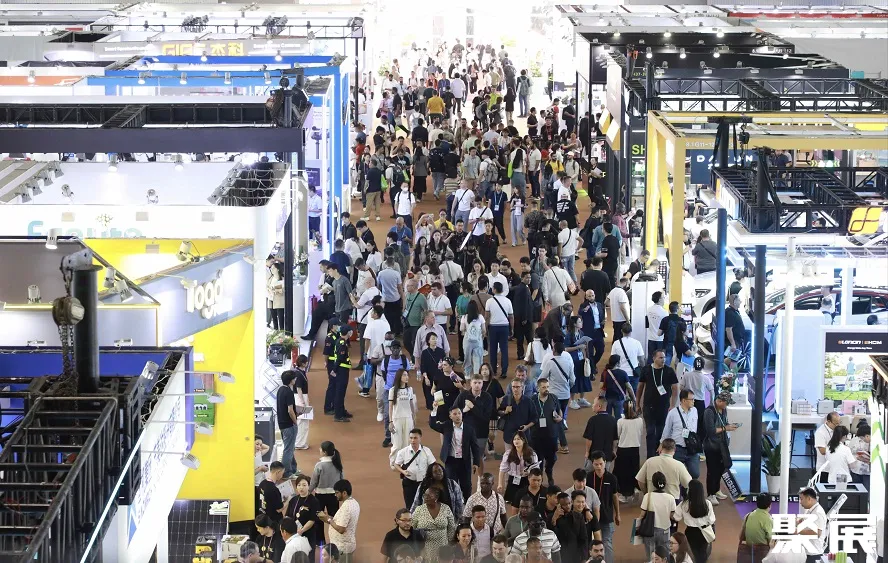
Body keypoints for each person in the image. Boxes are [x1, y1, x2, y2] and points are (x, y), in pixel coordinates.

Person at [637, 349, 679, 458]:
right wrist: (637, 404)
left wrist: (672, 405)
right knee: (650, 432)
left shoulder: (669, 371)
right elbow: (640, 387)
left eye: (664, 357)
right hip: (648, 406)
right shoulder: (646, 370)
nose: (663, 359)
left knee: (661, 432)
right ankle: (650, 457)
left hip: (663, 407)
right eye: (660, 357)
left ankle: (659, 456)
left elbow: (675, 389)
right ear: (654, 358)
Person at [455, 374, 495, 476]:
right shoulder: (463, 395)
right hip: (464, 432)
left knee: (478, 457)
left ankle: (480, 480)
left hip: (481, 433)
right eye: (475, 383)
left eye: (479, 383)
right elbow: (454, 411)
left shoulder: (487, 397)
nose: (477, 385)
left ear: (482, 384)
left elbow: (486, 417)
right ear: (471, 383)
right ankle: (466, 479)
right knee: (465, 456)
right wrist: (464, 410)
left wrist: (472, 407)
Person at [441, 405, 482, 501]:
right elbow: (432, 424)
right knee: (451, 485)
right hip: (450, 460)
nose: (458, 416)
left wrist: (476, 463)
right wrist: (434, 410)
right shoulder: (446, 427)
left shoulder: (469, 429)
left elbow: (475, 447)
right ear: (450, 416)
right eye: (455, 414)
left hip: (464, 461)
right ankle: (453, 505)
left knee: (466, 486)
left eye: (459, 413)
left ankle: (467, 504)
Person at [541, 340, 575, 455]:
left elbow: (542, 377)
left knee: (555, 419)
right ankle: (556, 442)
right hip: (565, 395)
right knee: (560, 418)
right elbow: (572, 380)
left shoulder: (550, 363)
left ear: (554, 350)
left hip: (553, 395)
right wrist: (567, 387)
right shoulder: (568, 362)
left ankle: (563, 444)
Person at [703, 393, 738, 504]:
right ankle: (711, 494)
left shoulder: (723, 410)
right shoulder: (709, 412)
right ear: (719, 401)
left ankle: (717, 490)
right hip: (711, 445)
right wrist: (725, 428)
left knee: (721, 468)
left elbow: (724, 423)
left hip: (722, 444)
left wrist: (730, 426)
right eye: (726, 403)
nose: (727, 406)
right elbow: (711, 431)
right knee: (712, 470)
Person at [587, 451, 620, 562]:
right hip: (591, 517)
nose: (599, 467)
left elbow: (615, 497)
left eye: (601, 464)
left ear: (605, 462)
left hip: (607, 516)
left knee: (606, 542)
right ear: (592, 464)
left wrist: (618, 514)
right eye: (596, 464)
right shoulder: (588, 478)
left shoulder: (612, 478)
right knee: (592, 543)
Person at [530, 378, 563, 485]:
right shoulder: (532, 400)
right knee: (538, 459)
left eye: (548, 387)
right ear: (538, 388)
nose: (546, 389)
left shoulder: (553, 398)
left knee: (552, 458)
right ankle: (540, 479)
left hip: (551, 434)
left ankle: (549, 471)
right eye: (544, 387)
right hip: (536, 435)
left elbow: (559, 411)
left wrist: (560, 418)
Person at [316, 480, 359, 563]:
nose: (335, 495)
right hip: (346, 545)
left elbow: (341, 529)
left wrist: (328, 519)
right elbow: (342, 521)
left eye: (337, 493)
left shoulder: (346, 507)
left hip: (342, 548)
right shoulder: (354, 502)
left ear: (344, 493)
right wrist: (328, 518)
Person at [673, 479, 714, 563]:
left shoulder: (684, 504)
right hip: (704, 531)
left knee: (691, 553)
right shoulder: (707, 503)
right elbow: (711, 520)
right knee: (702, 552)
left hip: (690, 532)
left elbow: (676, 517)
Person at [662, 390, 701, 480]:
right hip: (678, 448)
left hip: (692, 448)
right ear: (684, 400)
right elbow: (667, 430)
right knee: (674, 474)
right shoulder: (673, 413)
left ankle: (686, 487)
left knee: (695, 474)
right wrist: (662, 444)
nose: (694, 401)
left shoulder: (695, 411)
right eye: (691, 399)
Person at [413, 487, 457, 563]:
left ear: (436, 497)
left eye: (429, 496)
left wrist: (450, 544)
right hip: (425, 546)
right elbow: (412, 526)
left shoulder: (446, 508)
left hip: (443, 545)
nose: (426, 497)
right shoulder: (419, 509)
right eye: (425, 495)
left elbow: (451, 527)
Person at [639, 471, 675, 560]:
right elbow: (672, 515)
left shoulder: (648, 496)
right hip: (665, 530)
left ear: (653, 483)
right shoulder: (670, 498)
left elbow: (642, 515)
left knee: (651, 555)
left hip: (650, 530)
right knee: (665, 554)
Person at [498, 431, 540, 510]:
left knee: (527, 503)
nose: (516, 441)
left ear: (523, 440)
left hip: (526, 480)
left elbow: (536, 469)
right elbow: (502, 469)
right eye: (514, 439)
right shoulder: (508, 454)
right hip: (514, 480)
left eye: (518, 439)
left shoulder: (532, 454)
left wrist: (529, 472)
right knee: (514, 505)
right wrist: (500, 484)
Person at [284, 476, 320, 559]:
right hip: (294, 534)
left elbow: (312, 520)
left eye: (304, 485)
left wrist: (302, 530)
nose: (301, 488)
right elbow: (287, 516)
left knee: (308, 557)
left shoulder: (314, 501)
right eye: (299, 485)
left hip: (308, 534)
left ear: (309, 486)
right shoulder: (293, 500)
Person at [615, 400, 644, 502]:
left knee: (622, 472)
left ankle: (625, 494)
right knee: (634, 470)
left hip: (623, 449)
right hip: (635, 449)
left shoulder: (620, 421)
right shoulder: (640, 420)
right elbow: (640, 432)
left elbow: (618, 434)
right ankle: (634, 488)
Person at [498, 379, 536, 455]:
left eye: (518, 387)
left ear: (522, 387)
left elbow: (534, 418)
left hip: (524, 436)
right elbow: (498, 412)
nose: (515, 389)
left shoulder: (528, 401)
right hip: (509, 435)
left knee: (524, 457)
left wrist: (527, 426)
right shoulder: (506, 399)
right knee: (509, 457)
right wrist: (505, 411)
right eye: (513, 387)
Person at [681, 358, 715, 441]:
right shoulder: (705, 378)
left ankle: (686, 439)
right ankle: (698, 442)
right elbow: (711, 390)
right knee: (699, 423)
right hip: (700, 403)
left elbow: (681, 387)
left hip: (688, 401)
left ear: (693, 365)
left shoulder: (686, 375)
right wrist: (711, 402)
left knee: (686, 420)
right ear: (703, 366)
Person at [310, 441, 345, 521]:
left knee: (318, 518)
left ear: (324, 452)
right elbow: (342, 479)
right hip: (334, 495)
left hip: (320, 495)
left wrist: (308, 491)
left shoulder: (319, 465)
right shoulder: (337, 464)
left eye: (321, 449)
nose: (319, 449)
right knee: (335, 518)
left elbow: (314, 481)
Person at [486, 282, 514, 379]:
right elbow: (511, 316)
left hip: (493, 327)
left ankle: (493, 370)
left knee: (493, 349)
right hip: (504, 327)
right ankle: (504, 371)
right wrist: (512, 328)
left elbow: (487, 316)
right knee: (504, 349)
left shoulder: (489, 301)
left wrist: (485, 328)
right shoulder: (508, 301)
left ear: (494, 289)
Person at [582, 398, 617, 471]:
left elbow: (589, 439)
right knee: (605, 473)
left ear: (599, 406)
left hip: (594, 455)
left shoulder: (592, 420)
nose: (592, 405)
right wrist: (613, 450)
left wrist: (587, 452)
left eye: (594, 403)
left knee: (589, 473)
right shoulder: (613, 420)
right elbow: (614, 439)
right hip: (607, 455)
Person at [276, 370, 300, 477]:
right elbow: (290, 410)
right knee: (288, 450)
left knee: (290, 448)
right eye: (294, 378)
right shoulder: (289, 392)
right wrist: (295, 421)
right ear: (291, 380)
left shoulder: (280, 390)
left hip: (282, 424)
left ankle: (293, 469)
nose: (295, 379)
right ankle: (286, 472)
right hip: (289, 425)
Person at [738, 494, 773, 563]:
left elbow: (740, 536)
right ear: (769, 505)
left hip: (748, 552)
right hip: (762, 553)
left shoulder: (748, 516)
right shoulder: (768, 519)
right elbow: (771, 540)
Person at [611, 323, 645, 393]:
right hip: (633, 373)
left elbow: (613, 359)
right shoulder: (637, 343)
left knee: (621, 393)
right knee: (634, 393)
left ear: (621, 331)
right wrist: (643, 369)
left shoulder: (616, 343)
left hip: (620, 373)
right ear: (631, 331)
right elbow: (641, 360)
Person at [331, 324, 355, 423]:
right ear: (348, 333)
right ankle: (338, 415)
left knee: (342, 392)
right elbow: (340, 359)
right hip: (341, 370)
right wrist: (334, 370)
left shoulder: (342, 341)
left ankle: (341, 410)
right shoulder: (342, 343)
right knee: (340, 392)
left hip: (343, 369)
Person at [798, 487, 828, 562]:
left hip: (813, 555)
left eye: (801, 499)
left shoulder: (818, 512)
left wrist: (798, 531)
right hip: (806, 552)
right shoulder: (810, 510)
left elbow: (817, 533)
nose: (800, 502)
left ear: (809, 499)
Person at [600, 355, 634, 419]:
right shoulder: (623, 373)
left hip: (607, 398)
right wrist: (633, 398)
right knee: (619, 418)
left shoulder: (605, 373)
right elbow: (629, 387)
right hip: (619, 398)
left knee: (608, 417)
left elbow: (601, 386)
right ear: (617, 363)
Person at [814, 411, 840, 481]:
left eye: (839, 423)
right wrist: (839, 450)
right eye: (836, 424)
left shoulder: (836, 429)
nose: (838, 426)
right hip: (824, 469)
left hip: (835, 467)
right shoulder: (820, 432)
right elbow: (822, 451)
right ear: (828, 421)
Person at [646, 292, 668, 361]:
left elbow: (647, 323)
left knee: (651, 358)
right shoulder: (664, 312)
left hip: (651, 338)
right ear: (659, 299)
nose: (664, 299)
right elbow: (666, 327)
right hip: (660, 339)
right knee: (660, 359)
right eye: (663, 297)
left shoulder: (649, 309)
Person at [849, 424, 871, 491]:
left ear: (867, 435)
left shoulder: (873, 442)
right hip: (856, 469)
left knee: (866, 490)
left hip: (867, 470)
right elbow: (849, 452)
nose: (862, 439)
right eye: (860, 437)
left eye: (862, 437)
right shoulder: (854, 440)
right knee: (855, 490)